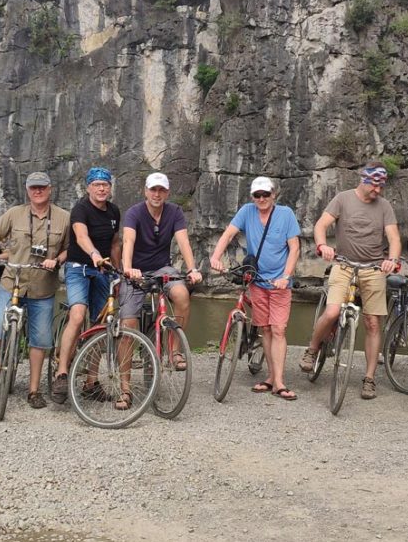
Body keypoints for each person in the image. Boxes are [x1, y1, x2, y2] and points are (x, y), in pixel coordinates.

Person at [301, 162, 401, 401]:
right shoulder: (343, 199)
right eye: (375, 186)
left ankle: (369, 379)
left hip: (374, 267)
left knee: (373, 322)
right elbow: (321, 225)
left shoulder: (384, 206)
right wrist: (323, 245)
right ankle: (312, 350)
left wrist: (393, 259)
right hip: (343, 263)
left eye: (381, 187)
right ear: (364, 180)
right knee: (332, 311)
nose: (378, 191)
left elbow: (394, 238)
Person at [0, 172, 70, 409]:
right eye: (33, 188)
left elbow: (71, 248)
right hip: (12, 280)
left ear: (50, 189)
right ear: (27, 190)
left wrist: (58, 260)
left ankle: (34, 390)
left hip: (43, 285)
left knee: (40, 338)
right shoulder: (14, 214)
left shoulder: (63, 217)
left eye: (42, 187)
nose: (37, 191)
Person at [209, 177, 301, 399]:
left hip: (279, 282)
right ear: (252, 197)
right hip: (257, 281)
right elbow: (229, 234)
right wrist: (215, 257)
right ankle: (270, 377)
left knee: (278, 329)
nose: (261, 199)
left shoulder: (285, 214)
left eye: (265, 195)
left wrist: (286, 276)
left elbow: (295, 248)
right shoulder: (247, 211)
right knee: (266, 329)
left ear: (273, 195)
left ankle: (279, 382)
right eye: (257, 195)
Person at [119, 172, 204, 402]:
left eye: (161, 190)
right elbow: (128, 241)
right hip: (136, 269)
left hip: (162, 268)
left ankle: (174, 350)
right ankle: (125, 389)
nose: (157, 194)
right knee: (128, 324)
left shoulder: (174, 212)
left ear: (167, 193)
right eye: (153, 190)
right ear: (145, 191)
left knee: (182, 295)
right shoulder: (134, 212)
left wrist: (192, 268)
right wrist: (128, 268)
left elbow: (183, 241)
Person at [52, 167, 121, 406]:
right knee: (78, 314)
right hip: (78, 267)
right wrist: (93, 253)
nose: (101, 188)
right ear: (88, 188)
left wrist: (118, 272)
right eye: (97, 184)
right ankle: (62, 373)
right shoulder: (81, 209)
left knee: (101, 325)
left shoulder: (114, 212)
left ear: (110, 188)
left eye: (105, 184)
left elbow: (114, 244)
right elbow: (80, 236)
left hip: (103, 270)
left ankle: (91, 382)